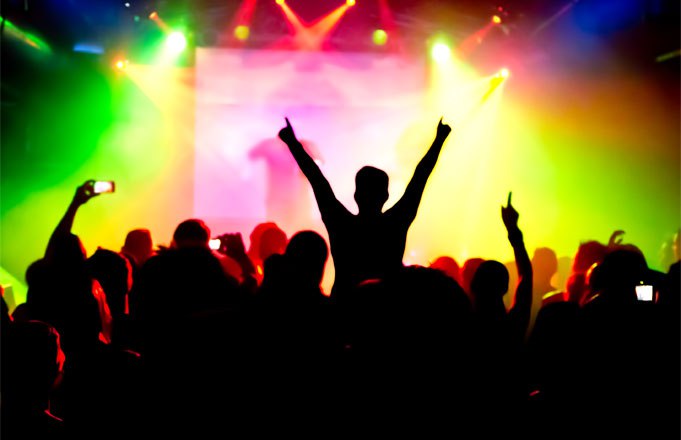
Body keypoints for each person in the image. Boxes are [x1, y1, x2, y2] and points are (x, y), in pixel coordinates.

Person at [278, 116, 452, 302]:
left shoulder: (341, 224)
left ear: (356, 195)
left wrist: (292, 142)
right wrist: (439, 140)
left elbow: (317, 179)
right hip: (387, 306)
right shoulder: (396, 223)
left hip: (345, 307)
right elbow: (420, 177)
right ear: (385, 195)